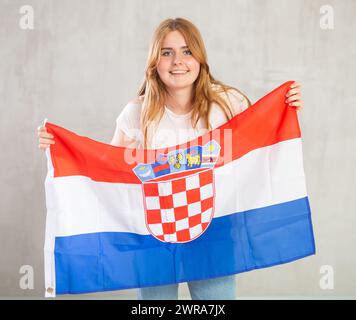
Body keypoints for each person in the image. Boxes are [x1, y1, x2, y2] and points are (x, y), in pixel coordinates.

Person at [37, 18, 303, 299]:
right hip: (154, 239)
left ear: (200, 58)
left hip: (214, 235)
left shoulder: (228, 103)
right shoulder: (136, 113)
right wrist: (59, 147)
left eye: (187, 51)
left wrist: (287, 107)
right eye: (167, 52)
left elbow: (260, 144)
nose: (178, 61)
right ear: (155, 62)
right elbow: (106, 171)